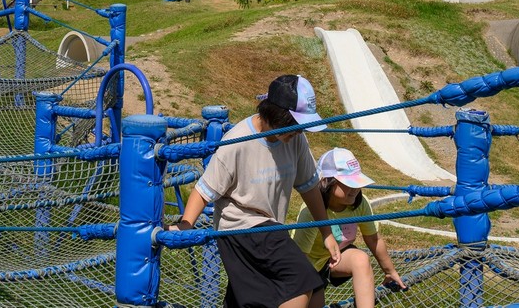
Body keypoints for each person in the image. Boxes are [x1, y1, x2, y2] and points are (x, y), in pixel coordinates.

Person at [173, 74, 341, 308]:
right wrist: (186, 224)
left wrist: (327, 233)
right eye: (296, 125)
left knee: (281, 298)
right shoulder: (238, 141)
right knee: (303, 285)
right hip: (240, 227)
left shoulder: (295, 140)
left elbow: (309, 187)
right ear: (277, 115)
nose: (300, 132)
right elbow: (204, 191)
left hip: (270, 229)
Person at [293, 148, 407, 308]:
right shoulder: (311, 211)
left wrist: (389, 271)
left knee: (361, 259)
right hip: (307, 267)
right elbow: (300, 258)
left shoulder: (360, 204)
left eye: (357, 183)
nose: (355, 189)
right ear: (328, 182)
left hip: (334, 260)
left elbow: (373, 238)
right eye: (349, 183)